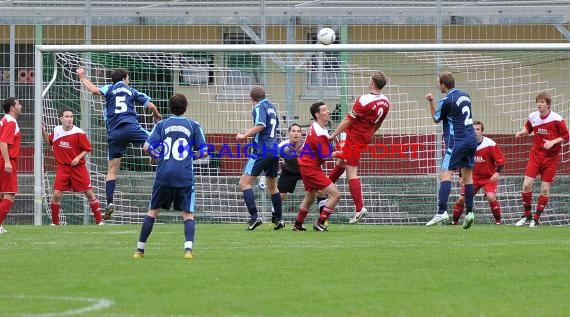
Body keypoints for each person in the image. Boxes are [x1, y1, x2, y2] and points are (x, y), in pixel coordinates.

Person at [76, 67, 162, 221]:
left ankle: (109, 203)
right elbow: (151, 106)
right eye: (128, 78)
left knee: (112, 170)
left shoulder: (109, 88)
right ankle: (153, 158)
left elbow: (95, 91)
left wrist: (82, 78)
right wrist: (157, 116)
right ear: (124, 78)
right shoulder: (131, 90)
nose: (128, 80)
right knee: (154, 142)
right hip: (131, 127)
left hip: (115, 133)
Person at [133, 94, 206, 259]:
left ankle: (140, 250)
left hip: (164, 174)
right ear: (186, 107)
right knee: (187, 213)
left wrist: (157, 155)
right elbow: (205, 151)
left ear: (169, 108)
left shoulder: (162, 124)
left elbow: (146, 147)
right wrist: (191, 156)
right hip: (184, 174)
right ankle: (188, 250)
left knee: (152, 211)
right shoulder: (193, 125)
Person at [328, 71, 390, 224]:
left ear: (372, 83)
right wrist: (369, 134)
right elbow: (379, 122)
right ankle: (325, 187)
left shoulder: (364, 100)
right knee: (342, 162)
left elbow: (349, 119)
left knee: (351, 172)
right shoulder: (386, 101)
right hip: (365, 136)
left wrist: (333, 134)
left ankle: (359, 208)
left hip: (355, 137)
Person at [425, 71, 478, 229]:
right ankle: (469, 212)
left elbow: (436, 119)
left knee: (445, 174)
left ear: (443, 84)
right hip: (471, 139)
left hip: (457, 141)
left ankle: (441, 211)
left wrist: (431, 102)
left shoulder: (446, 100)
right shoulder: (465, 95)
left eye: (439, 83)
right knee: (468, 177)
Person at [514, 91, 569, 228]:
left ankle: (536, 219)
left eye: (542, 102)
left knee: (545, 188)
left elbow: (566, 136)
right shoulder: (533, 116)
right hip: (536, 155)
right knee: (527, 185)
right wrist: (522, 132)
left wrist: (553, 142)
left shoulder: (557, 119)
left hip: (551, 158)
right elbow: (528, 128)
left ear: (548, 105)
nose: (539, 104)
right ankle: (527, 215)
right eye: (538, 101)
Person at [42, 109, 104, 225]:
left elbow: (87, 148)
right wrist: (43, 132)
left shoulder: (79, 132)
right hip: (63, 168)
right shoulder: (56, 130)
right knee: (56, 194)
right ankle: (55, 223)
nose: (69, 119)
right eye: (66, 116)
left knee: (89, 193)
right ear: (61, 119)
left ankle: (99, 221)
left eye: (71, 116)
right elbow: (49, 142)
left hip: (78, 168)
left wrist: (78, 157)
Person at [236, 86, 283, 231]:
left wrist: (245, 135)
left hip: (261, 150)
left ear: (252, 99)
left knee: (244, 183)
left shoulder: (259, 107)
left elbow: (261, 125)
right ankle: (279, 219)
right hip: (274, 149)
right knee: (273, 187)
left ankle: (254, 217)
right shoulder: (272, 107)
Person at [293, 101, 343, 232]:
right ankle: (320, 222)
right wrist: (339, 153)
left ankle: (298, 224)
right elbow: (325, 156)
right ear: (317, 114)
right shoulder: (320, 132)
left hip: (306, 165)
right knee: (336, 195)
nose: (328, 112)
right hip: (310, 168)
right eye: (324, 110)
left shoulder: (315, 127)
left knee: (310, 195)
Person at [451, 121, 505, 225]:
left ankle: (498, 222)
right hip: (472, 177)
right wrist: (461, 176)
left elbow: (501, 160)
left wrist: (497, 173)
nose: (475, 132)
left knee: (490, 196)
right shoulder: (466, 145)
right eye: (473, 129)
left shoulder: (490, 144)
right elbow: (462, 161)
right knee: (461, 199)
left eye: (478, 129)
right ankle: (454, 222)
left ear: (482, 131)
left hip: (488, 178)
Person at [270, 123, 302, 224]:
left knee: (319, 190)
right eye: (293, 131)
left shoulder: (306, 145)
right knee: (280, 196)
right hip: (288, 171)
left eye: (298, 131)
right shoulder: (282, 146)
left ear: (301, 134)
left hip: (305, 171)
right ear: (289, 133)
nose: (296, 134)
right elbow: (272, 157)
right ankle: (275, 217)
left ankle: (323, 220)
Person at [0, 97, 22, 234]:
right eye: (18, 104)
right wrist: (7, 161)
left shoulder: (4, 120)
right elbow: (3, 142)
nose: (20, 106)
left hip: (2, 159)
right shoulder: (11, 121)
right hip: (6, 160)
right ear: (12, 108)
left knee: (2, 195)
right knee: (9, 196)